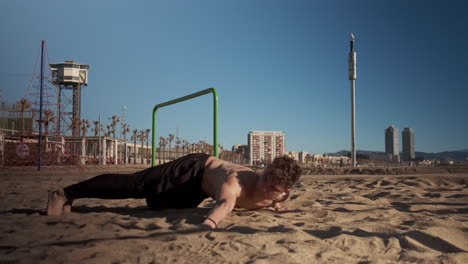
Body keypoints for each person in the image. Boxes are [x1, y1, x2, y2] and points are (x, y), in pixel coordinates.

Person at [47, 153, 302, 229]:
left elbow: (275, 198)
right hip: (193, 169)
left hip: (197, 192)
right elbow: (224, 205)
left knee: (155, 205)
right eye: (266, 176)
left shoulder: (279, 194)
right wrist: (209, 224)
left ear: (284, 191)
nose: (264, 185)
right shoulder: (236, 183)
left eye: (273, 187)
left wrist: (276, 205)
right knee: (134, 185)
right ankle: (65, 193)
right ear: (266, 169)